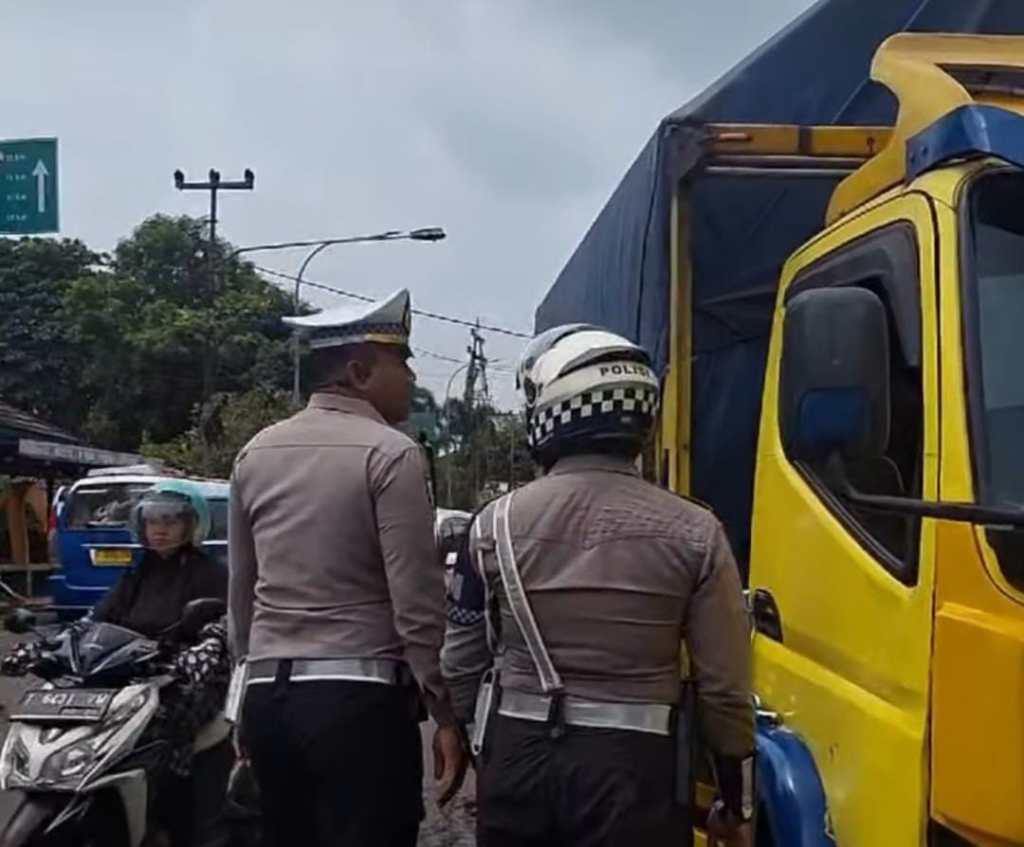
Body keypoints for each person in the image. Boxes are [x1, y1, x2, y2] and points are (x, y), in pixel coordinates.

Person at [442, 324, 756, 847]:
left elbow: (460, 659)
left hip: (518, 759)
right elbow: (724, 690)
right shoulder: (698, 532)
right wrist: (734, 799)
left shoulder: (492, 524)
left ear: (549, 415)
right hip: (637, 772)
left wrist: (466, 738)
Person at [228, 288, 466, 847]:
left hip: (268, 700)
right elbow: (416, 603)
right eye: (401, 361)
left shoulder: (254, 452)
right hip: (358, 705)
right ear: (359, 372)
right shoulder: (392, 453)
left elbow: (242, 593)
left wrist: (242, 703)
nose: (411, 375)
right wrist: (444, 713)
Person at [2, 478, 232, 847]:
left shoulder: (210, 573)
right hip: (131, 672)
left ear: (191, 525)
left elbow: (223, 622)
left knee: (170, 731)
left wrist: (207, 646)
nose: (159, 529)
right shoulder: (137, 572)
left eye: (170, 520)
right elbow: (96, 619)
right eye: (152, 521)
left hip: (185, 675)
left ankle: (174, 818)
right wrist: (49, 646)